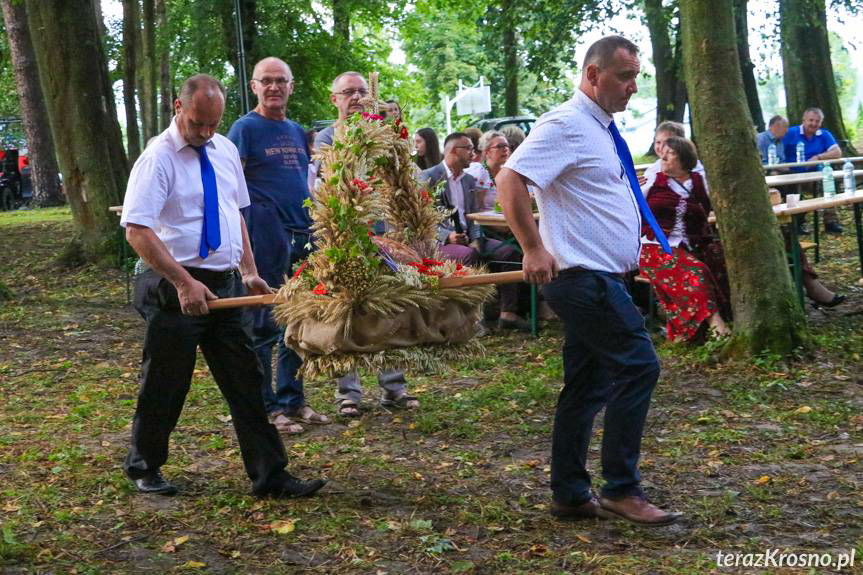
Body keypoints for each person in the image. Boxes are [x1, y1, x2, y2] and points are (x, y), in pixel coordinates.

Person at [497, 35, 680, 525]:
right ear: (593, 75)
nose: (632, 87)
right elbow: (509, 179)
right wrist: (533, 247)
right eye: (624, 76)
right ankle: (621, 488)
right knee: (639, 366)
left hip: (603, 277)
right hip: (582, 278)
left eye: (636, 75)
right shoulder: (566, 124)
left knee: (585, 387)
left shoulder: (601, 129)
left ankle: (571, 494)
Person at [120, 74, 326, 499]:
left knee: (246, 381)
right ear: (178, 107)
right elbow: (137, 230)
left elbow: (235, 214)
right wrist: (183, 281)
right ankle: (145, 467)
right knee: (165, 381)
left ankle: (270, 474)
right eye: (198, 123)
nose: (206, 131)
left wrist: (248, 270)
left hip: (225, 286)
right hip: (171, 284)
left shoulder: (226, 149)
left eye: (213, 123)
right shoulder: (158, 158)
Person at [227, 57, 330, 435]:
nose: (273, 87)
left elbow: (303, 181)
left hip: (302, 233)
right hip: (266, 233)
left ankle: (293, 399)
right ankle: (266, 406)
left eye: (280, 81)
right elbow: (231, 187)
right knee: (264, 319)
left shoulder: (295, 130)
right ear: (254, 86)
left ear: (291, 86)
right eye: (265, 81)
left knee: (298, 316)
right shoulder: (245, 128)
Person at [316, 71, 419, 417]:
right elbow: (320, 190)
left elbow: (400, 178)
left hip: (385, 236)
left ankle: (394, 388)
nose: (357, 97)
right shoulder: (326, 139)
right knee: (346, 312)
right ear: (335, 99)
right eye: (348, 92)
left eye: (362, 91)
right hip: (342, 236)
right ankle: (349, 393)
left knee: (389, 307)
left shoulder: (383, 135)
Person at [421, 132, 530, 331]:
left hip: (469, 237)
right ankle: (473, 321)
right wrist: (447, 237)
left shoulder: (468, 180)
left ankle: (508, 314)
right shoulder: (428, 177)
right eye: (469, 149)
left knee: (510, 252)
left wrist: (476, 238)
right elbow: (422, 219)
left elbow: (474, 216)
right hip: (441, 242)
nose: (474, 153)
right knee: (470, 256)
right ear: (454, 151)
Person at [639, 137, 731, 342]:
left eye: (669, 152)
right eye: (662, 150)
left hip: (692, 242)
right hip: (654, 246)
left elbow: (723, 202)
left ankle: (727, 315)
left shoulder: (700, 181)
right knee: (694, 269)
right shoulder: (653, 179)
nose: (662, 155)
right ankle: (716, 324)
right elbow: (629, 206)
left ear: (683, 158)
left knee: (722, 258)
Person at [783, 107, 843, 234]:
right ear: (804, 120)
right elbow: (777, 149)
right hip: (792, 174)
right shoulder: (790, 133)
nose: (814, 124)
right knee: (793, 188)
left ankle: (830, 221)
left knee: (829, 183)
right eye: (811, 120)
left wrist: (818, 157)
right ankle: (797, 223)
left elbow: (837, 152)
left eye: (817, 121)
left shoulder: (824, 134)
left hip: (815, 174)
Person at [639, 121, 706, 190]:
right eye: (658, 142)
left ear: (681, 143)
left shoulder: (696, 170)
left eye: (667, 143)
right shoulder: (653, 170)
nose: (661, 147)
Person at [465, 130, 511, 211]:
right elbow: (475, 209)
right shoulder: (479, 173)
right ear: (486, 152)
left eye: (506, 145)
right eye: (499, 146)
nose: (505, 149)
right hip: (484, 221)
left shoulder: (508, 172)